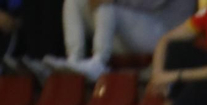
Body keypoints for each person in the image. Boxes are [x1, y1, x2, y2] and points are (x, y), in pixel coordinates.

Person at [52, 0, 194, 81]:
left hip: (165, 36)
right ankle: (73, 60)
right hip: (135, 33)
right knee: (74, 1)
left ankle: (99, 61)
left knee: (107, 4)